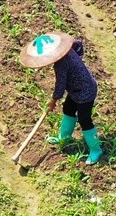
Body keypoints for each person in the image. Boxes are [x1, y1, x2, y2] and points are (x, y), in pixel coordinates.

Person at [20, 33, 102, 165]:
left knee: (84, 120)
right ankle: (64, 138)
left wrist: (53, 101)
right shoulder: (67, 51)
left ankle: (96, 149)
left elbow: (61, 85)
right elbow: (78, 45)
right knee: (68, 109)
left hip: (86, 91)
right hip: (76, 90)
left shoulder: (61, 63)